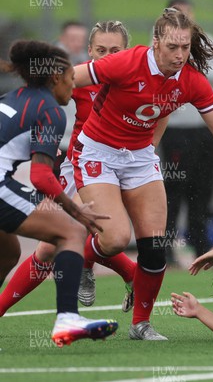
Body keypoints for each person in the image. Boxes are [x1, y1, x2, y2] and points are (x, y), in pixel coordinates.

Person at [70, 8, 213, 340]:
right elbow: (68, 77)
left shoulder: (191, 81)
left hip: (140, 157)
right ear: (155, 43)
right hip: (97, 152)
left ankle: (140, 324)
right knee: (116, 238)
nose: (179, 55)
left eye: (185, 48)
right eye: (172, 47)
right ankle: (86, 261)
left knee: (154, 244)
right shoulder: (127, 62)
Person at [0, 21, 137, 317]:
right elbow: (44, 99)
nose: (106, 57)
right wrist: (46, 146)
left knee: (80, 233)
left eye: (115, 51)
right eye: (100, 50)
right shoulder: (75, 79)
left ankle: (111, 273)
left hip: (124, 165)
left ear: (126, 53)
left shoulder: (139, 80)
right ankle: (92, 292)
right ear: (88, 51)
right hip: (80, 164)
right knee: (58, 239)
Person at [160, 0, 213, 263]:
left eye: (188, 13)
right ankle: (165, 249)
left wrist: (195, 65)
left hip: (204, 129)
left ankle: (200, 244)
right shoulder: (158, 41)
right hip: (176, 130)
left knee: (203, 187)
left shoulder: (203, 38)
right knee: (174, 188)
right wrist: (194, 64)